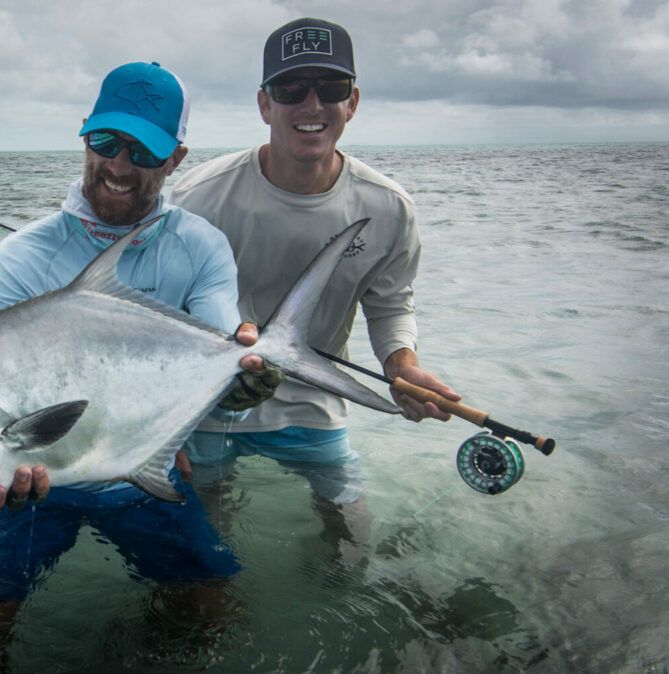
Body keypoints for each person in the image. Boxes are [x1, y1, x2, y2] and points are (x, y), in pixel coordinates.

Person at [0, 61, 281, 669]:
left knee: (213, 615)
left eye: (142, 151)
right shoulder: (19, 257)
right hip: (28, 482)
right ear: (85, 136)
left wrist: (241, 382)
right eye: (105, 142)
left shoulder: (199, 246)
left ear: (174, 159)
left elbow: (222, 356)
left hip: (142, 473)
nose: (119, 166)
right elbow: (3, 393)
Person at [169, 18, 460, 552]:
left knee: (351, 541)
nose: (312, 105)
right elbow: (155, 311)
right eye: (290, 89)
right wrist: (159, 433)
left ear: (352, 103)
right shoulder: (198, 197)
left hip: (315, 402)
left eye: (331, 89)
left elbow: (391, 303)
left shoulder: (387, 208)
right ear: (264, 105)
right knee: (200, 562)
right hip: (206, 408)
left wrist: (403, 367)